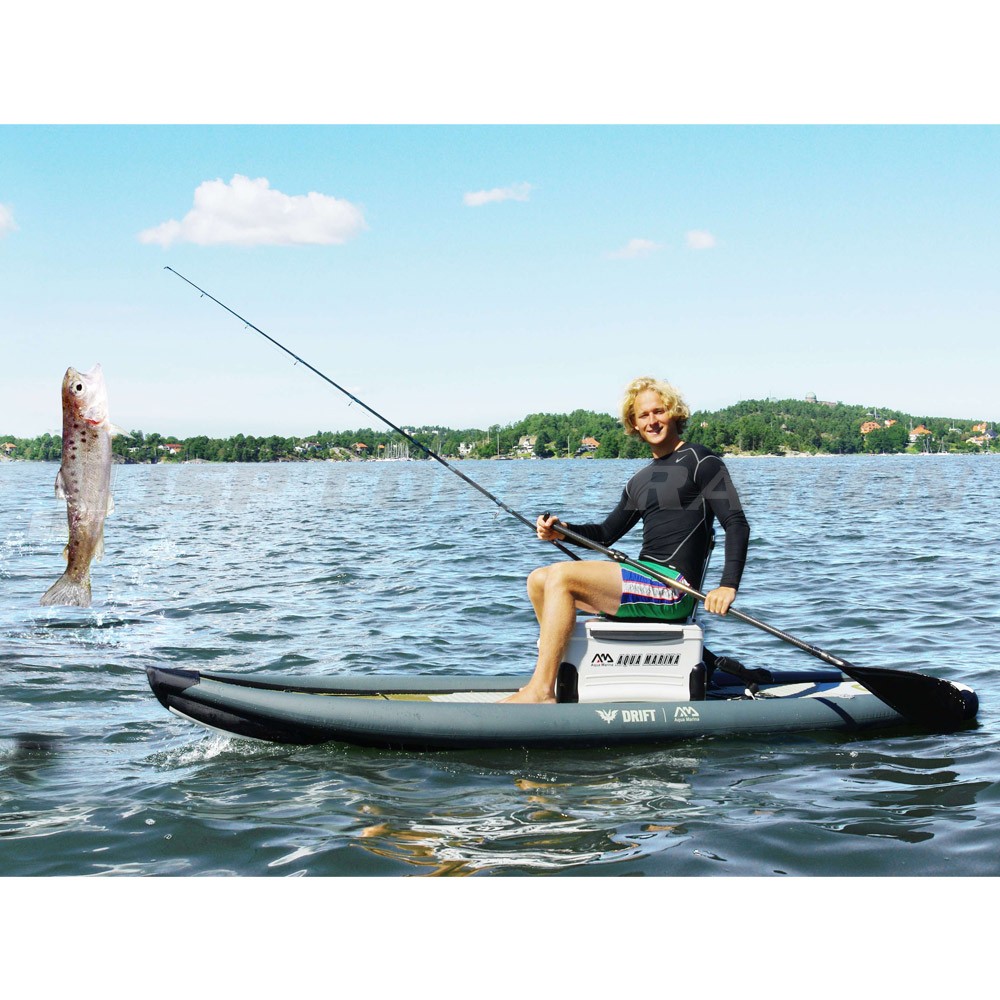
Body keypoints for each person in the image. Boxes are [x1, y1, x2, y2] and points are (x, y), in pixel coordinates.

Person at [504, 376, 750, 704]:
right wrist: (562, 530)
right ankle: (562, 672)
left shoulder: (702, 461)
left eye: (659, 411)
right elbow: (606, 533)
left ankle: (541, 690)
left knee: (562, 576)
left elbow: (736, 523)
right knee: (538, 580)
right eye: (643, 415)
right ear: (634, 424)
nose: (652, 421)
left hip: (674, 588)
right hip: (645, 577)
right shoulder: (640, 480)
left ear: (675, 413)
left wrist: (727, 586)